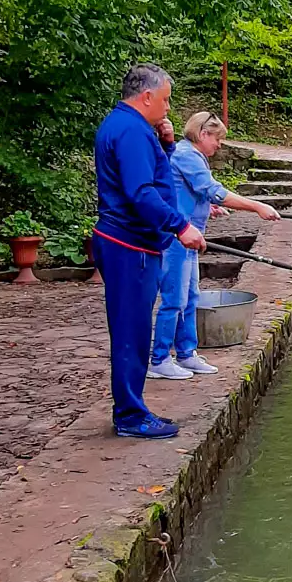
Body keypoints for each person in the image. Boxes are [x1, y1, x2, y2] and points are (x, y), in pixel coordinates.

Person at [93, 64, 206, 439]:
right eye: (165, 100)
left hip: (133, 243)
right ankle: (129, 415)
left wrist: (168, 144)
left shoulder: (132, 127)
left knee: (136, 327)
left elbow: (152, 175)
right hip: (129, 244)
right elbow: (140, 192)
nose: (167, 108)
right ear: (146, 97)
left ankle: (133, 408)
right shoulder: (130, 131)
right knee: (132, 330)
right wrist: (181, 225)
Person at [149, 110, 280, 379]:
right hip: (176, 237)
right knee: (174, 299)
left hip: (189, 236)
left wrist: (207, 207)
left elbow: (190, 191)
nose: (219, 145)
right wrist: (256, 206)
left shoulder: (192, 155)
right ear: (203, 134)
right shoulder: (186, 154)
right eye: (217, 139)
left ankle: (186, 353)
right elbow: (212, 189)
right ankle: (159, 358)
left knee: (191, 298)